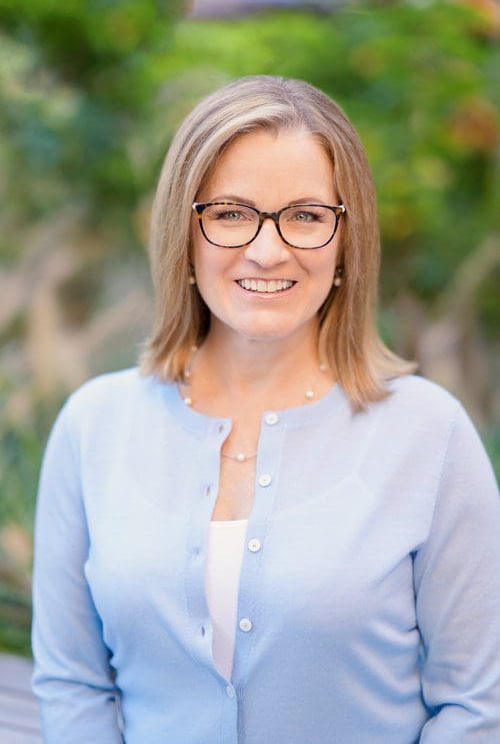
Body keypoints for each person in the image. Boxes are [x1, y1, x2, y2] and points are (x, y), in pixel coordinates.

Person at [31, 75, 500, 743]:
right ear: (184, 233)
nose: (267, 249)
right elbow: (74, 682)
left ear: (346, 238)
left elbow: (476, 705)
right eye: (230, 212)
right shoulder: (94, 426)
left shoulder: (429, 434)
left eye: (306, 215)